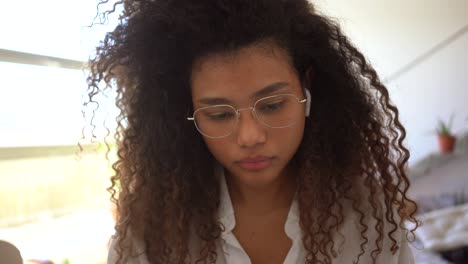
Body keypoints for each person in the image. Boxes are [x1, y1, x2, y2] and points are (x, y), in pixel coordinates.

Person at [86, 0, 419, 263]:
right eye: (218, 114)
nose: (250, 136)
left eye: (272, 105)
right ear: (187, 114)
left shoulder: (369, 217)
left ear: (307, 88)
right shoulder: (149, 235)